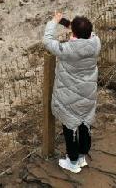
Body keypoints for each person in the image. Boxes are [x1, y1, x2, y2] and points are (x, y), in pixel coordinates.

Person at [43, 13, 101, 174]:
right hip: (88, 93)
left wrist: (54, 22)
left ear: (74, 33)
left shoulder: (67, 50)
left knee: (71, 127)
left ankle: (73, 162)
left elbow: (47, 40)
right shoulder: (96, 43)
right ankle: (82, 156)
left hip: (70, 96)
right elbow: (88, 34)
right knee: (85, 124)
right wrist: (73, 26)